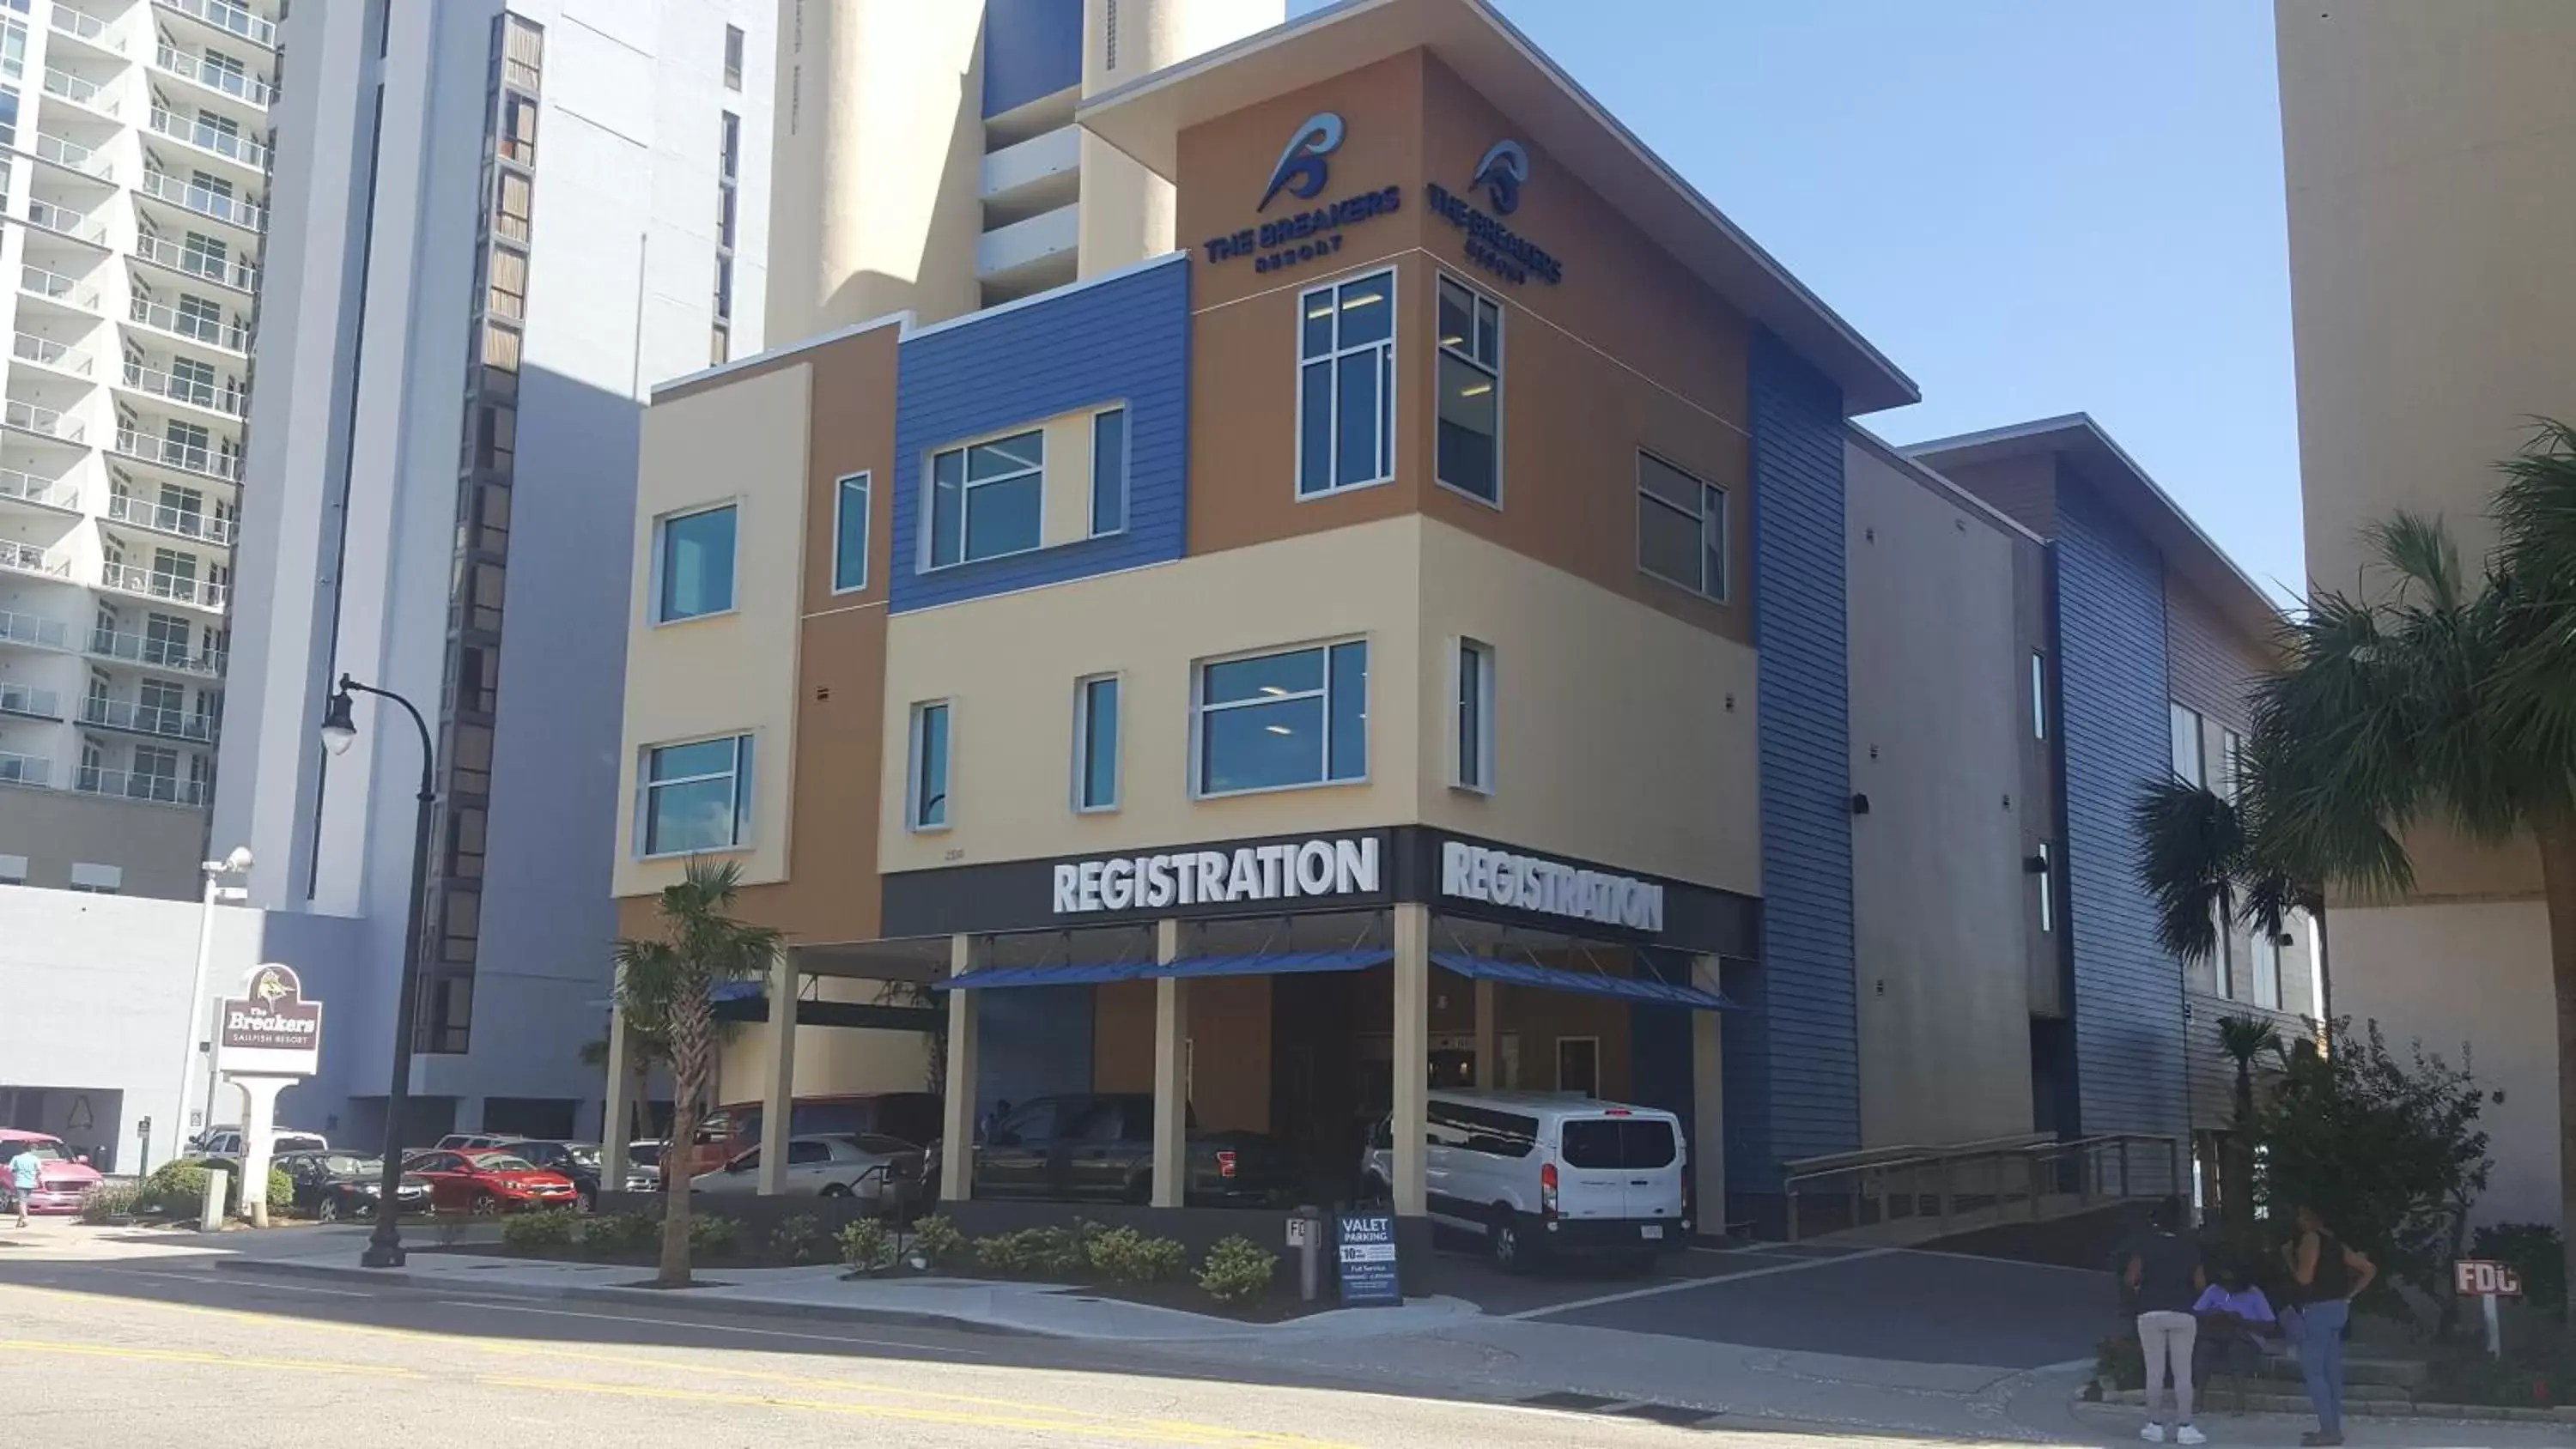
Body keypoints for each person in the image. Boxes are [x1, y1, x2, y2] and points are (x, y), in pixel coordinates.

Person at [2282, 1204, 2376, 1447]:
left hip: (2318, 1309)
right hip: (2339, 1308)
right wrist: (2350, 1295)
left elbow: (2304, 1278)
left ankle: (2328, 1431)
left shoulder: (2310, 1240)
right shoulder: (2336, 1244)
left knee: (2313, 1371)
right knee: (2332, 1373)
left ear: (2308, 1220)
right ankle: (2333, 1427)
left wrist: (2289, 1259)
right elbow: (2369, 1269)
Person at [2125, 1196, 2208, 1445]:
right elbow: (2201, 1284)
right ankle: (2185, 1426)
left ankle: (2154, 1424)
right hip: (2183, 1312)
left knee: (2155, 1371)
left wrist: (2141, 1289)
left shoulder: (2145, 1245)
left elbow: (2131, 1278)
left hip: (2151, 1311)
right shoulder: (2190, 1247)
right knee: (2183, 1373)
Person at [2192, 1263, 2279, 1407]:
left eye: (2232, 1283)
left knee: (2237, 1350)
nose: (2229, 1287)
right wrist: (2215, 1315)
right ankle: (2199, 1396)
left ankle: (2239, 1399)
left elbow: (2270, 1324)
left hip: (2246, 1337)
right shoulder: (2214, 1290)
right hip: (2217, 1335)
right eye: (2225, 1283)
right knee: (2204, 1349)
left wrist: (2242, 1321)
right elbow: (2196, 1313)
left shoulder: (2254, 1294)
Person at [6, 1142, 42, 1228]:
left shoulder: (16, 1158)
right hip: (30, 1183)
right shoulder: (35, 1159)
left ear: (22, 1149)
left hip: (20, 1182)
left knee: (22, 1202)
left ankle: (25, 1218)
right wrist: (35, 1177)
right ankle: (20, 1221)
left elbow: (9, 1169)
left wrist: (16, 1172)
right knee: (24, 1201)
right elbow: (39, 1171)